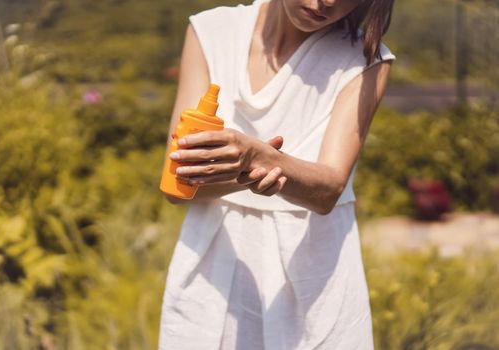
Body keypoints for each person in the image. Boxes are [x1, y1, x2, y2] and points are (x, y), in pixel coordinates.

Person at [159, 0, 395, 348]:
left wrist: (264, 159)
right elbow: (175, 185)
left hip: (312, 274)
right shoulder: (211, 32)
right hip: (212, 271)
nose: (326, 2)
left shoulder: (364, 59)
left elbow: (328, 189)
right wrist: (245, 168)